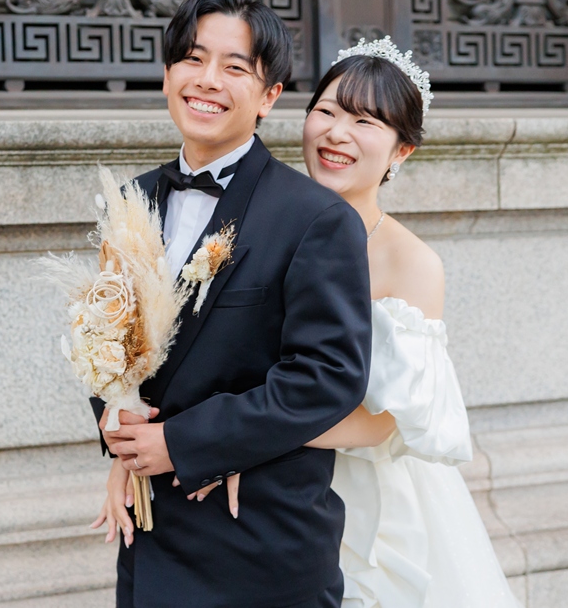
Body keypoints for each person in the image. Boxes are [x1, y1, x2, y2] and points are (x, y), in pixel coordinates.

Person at [175, 38, 521, 607]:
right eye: (328, 112)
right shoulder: (260, 219)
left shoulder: (412, 264)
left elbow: (384, 422)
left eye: (364, 122)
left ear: (401, 151)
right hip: (251, 481)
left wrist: (238, 442)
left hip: (358, 495)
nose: (337, 134)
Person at [89, 0, 373, 608]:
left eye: (234, 66)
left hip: (258, 546)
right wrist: (116, 419)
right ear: (167, 76)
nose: (207, 79)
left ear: (270, 95)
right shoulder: (130, 203)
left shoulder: (315, 219)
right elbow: (106, 338)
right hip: (149, 540)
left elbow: (327, 378)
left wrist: (186, 445)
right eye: (192, 58)